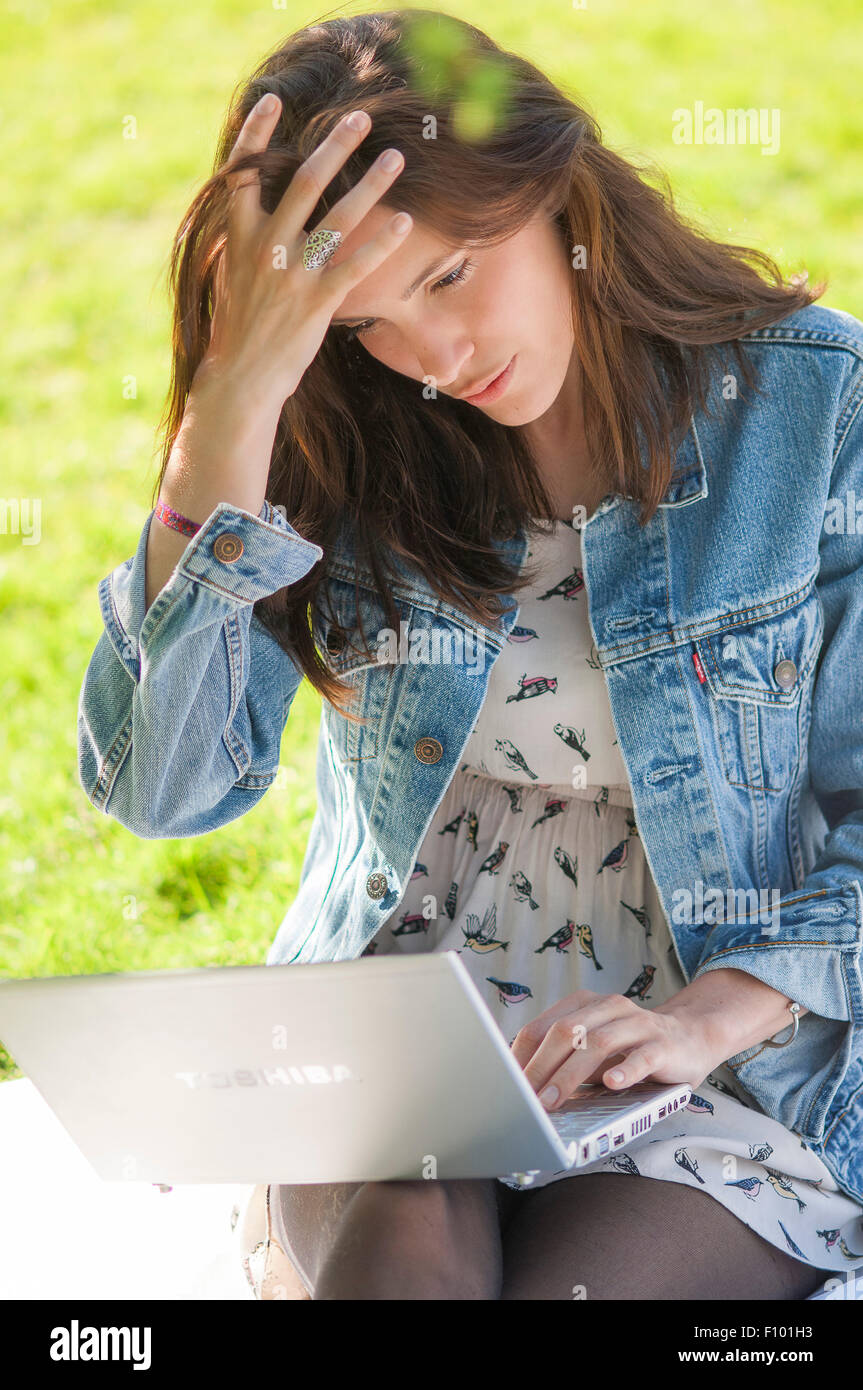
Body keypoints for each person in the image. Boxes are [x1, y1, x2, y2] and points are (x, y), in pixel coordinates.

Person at [78, 10, 863, 1299]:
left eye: (447, 278)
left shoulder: (821, 412)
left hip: (721, 1051)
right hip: (402, 1027)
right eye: (365, 322)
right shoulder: (350, 436)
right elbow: (168, 793)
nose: (433, 359)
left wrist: (702, 1016)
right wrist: (231, 413)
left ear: (550, 194)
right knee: (406, 1273)